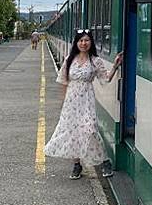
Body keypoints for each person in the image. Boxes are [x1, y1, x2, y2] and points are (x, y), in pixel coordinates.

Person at [44, 29, 123, 179]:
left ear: (91, 42)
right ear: (76, 43)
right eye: (81, 40)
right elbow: (63, 81)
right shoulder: (69, 60)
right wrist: (63, 103)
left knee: (90, 129)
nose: (83, 43)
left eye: (87, 40)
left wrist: (115, 66)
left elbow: (105, 78)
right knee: (72, 131)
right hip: (71, 101)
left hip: (86, 99)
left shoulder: (95, 61)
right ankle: (76, 164)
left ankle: (105, 161)